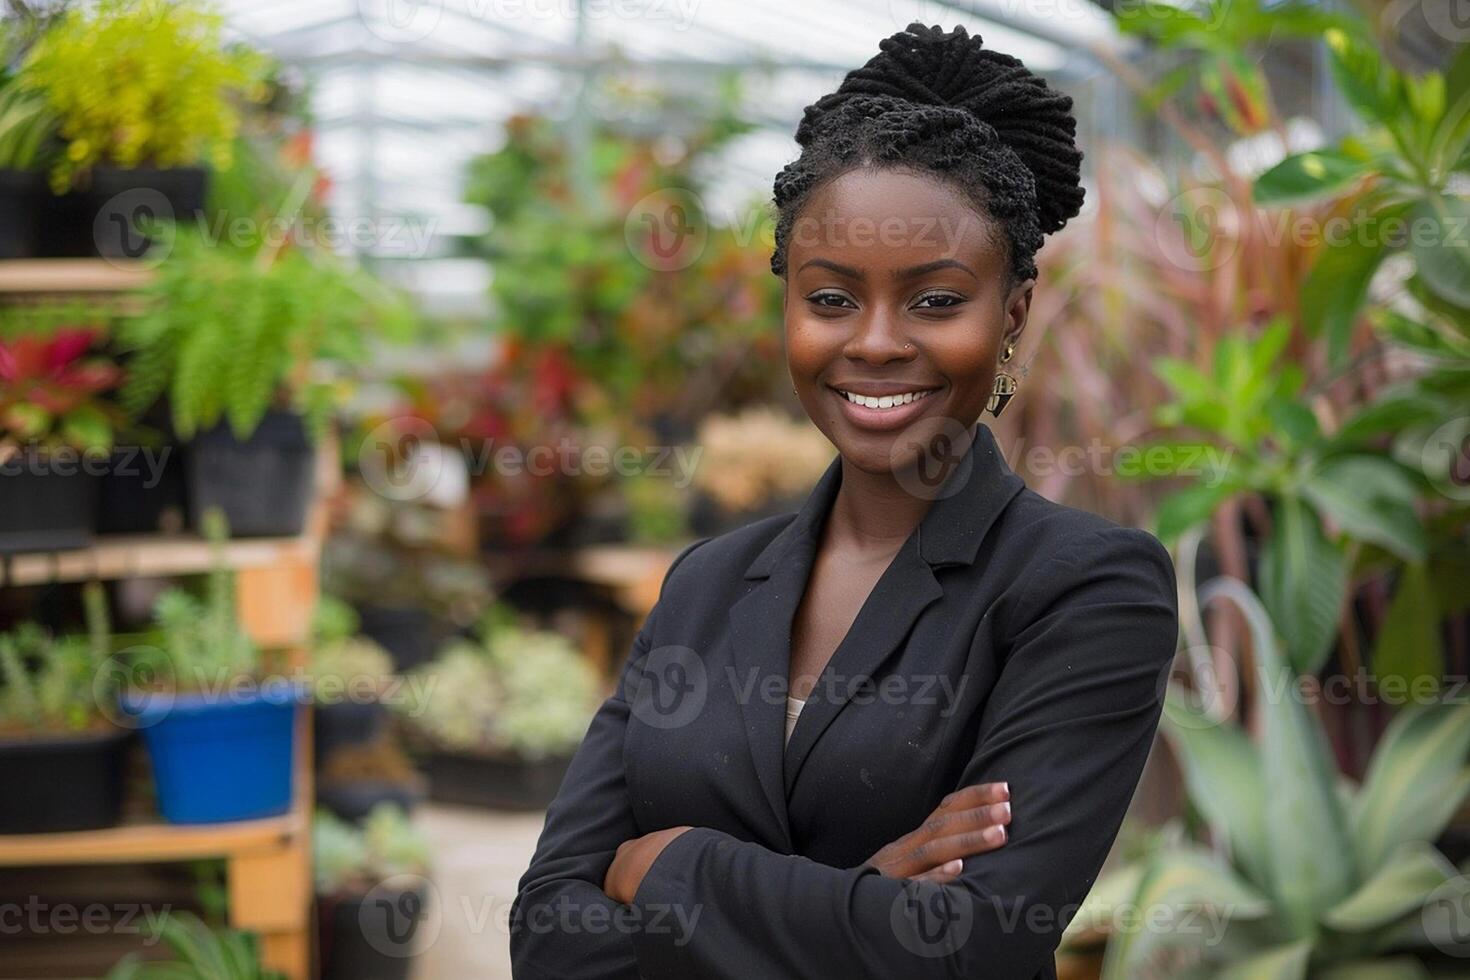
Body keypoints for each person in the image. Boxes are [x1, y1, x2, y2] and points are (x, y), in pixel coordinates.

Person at [510, 22, 1180, 979]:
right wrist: (864, 897)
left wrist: (668, 863)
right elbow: (545, 939)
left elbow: (971, 948)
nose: (873, 342)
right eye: (831, 299)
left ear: (1013, 315)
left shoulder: (1084, 591)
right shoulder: (705, 584)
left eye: (935, 301)